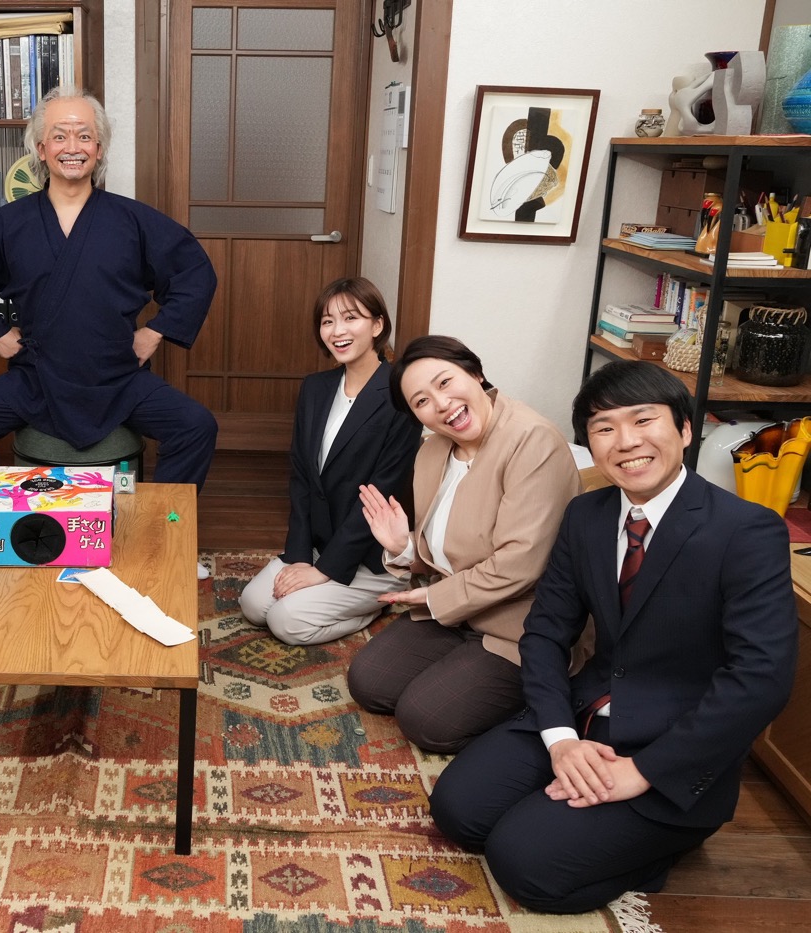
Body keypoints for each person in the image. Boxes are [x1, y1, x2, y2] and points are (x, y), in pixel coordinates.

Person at [429, 361, 798, 913]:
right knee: (459, 810)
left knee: (523, 864)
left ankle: (665, 846)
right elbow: (545, 633)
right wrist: (560, 739)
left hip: (671, 747)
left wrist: (642, 772)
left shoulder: (747, 530)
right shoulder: (586, 515)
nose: (625, 442)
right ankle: (569, 808)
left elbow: (761, 678)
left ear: (685, 429)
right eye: (604, 428)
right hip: (583, 715)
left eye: (643, 420)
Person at [0, 87, 218, 514]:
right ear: (41, 148)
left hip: (118, 376)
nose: (72, 147)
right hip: (36, 378)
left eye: (84, 136)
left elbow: (195, 271)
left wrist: (156, 331)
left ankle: (162, 529)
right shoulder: (9, 223)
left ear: (99, 150)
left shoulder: (133, 219)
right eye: (59, 136)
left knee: (197, 426)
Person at [350, 335, 581, 753]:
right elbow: (451, 547)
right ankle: (460, 668)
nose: (441, 404)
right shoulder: (433, 450)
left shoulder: (533, 441)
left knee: (424, 718)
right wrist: (403, 546)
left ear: (474, 373)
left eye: (445, 382)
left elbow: (519, 564)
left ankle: (548, 700)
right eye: (421, 401)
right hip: (459, 614)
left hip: (520, 626)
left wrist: (431, 598)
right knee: (369, 682)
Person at [239, 277, 419, 644]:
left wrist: (325, 570)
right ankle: (323, 585)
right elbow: (301, 477)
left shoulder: (400, 396)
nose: (337, 331)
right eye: (327, 321)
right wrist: (301, 556)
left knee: (287, 622)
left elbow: (380, 494)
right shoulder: (315, 387)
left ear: (377, 325)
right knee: (254, 606)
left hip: (369, 554)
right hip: (319, 541)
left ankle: (377, 603)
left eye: (351, 318)